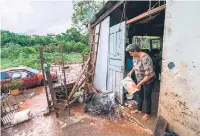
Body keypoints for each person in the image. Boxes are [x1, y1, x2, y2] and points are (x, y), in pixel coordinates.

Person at [126, 44, 155, 121]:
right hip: (139, 79)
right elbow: (135, 66)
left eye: (131, 53)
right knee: (139, 94)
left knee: (147, 97)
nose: (130, 54)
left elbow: (149, 75)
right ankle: (139, 110)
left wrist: (139, 84)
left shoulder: (145, 58)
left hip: (148, 81)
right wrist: (130, 72)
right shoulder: (134, 57)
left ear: (135, 51)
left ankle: (147, 113)